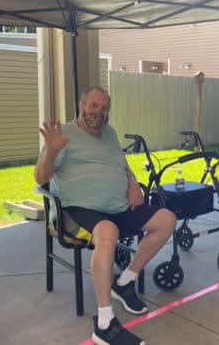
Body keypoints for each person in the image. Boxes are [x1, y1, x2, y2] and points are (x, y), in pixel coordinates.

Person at [34, 86, 176, 345]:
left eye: (104, 108)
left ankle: (124, 282)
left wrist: (132, 181)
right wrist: (52, 151)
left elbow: (122, 164)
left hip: (117, 207)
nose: (99, 112)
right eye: (94, 106)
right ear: (81, 105)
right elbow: (41, 178)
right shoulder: (64, 134)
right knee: (108, 231)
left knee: (167, 219)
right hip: (75, 210)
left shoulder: (109, 133)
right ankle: (104, 324)